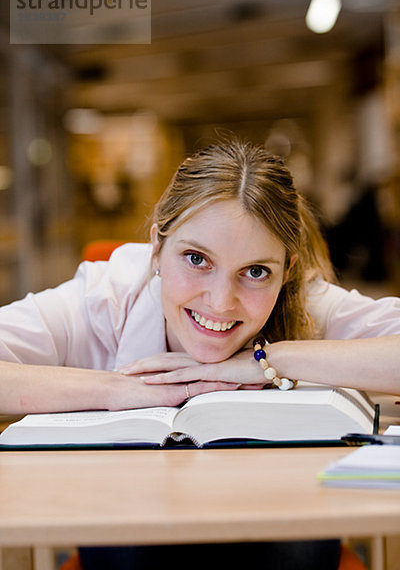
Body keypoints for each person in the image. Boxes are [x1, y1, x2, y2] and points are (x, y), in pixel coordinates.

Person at [1, 137, 399, 570]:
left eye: (256, 272)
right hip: (133, 537)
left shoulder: (307, 303)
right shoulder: (105, 297)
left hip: (275, 536)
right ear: (157, 248)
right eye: (196, 258)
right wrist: (118, 388)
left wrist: (270, 359)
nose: (220, 301)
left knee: (294, 539)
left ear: (287, 271)